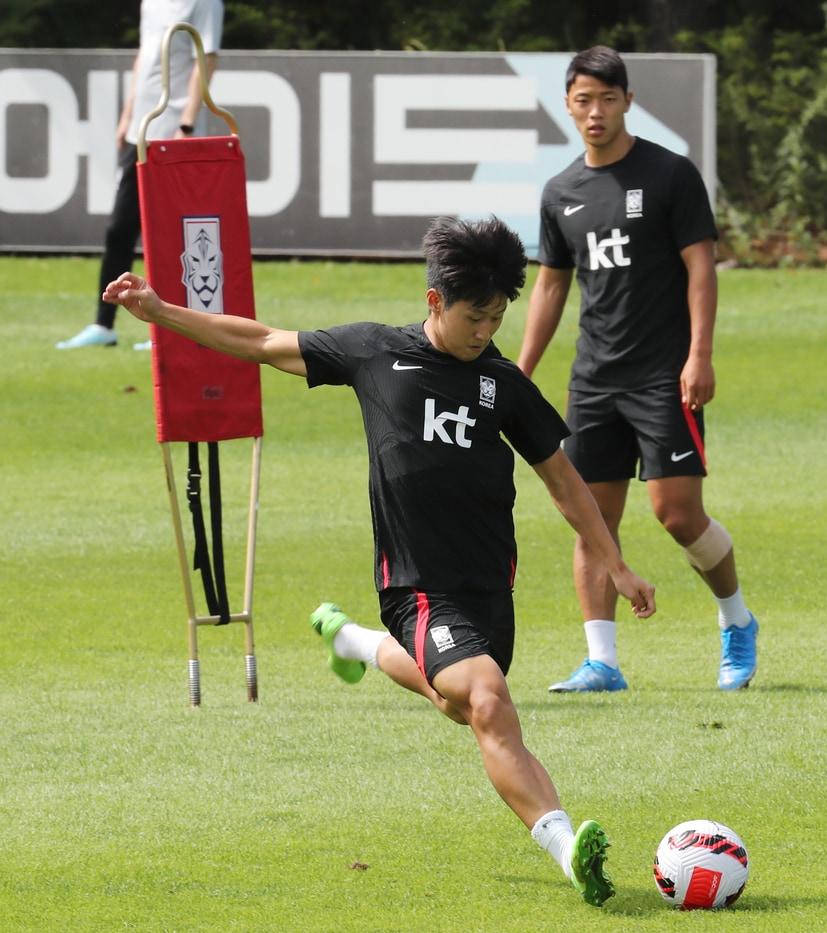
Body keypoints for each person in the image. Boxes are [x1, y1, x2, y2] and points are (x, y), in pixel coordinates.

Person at [102, 216, 654, 908]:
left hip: (488, 594)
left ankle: (354, 640)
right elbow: (262, 341)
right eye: (474, 316)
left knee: (460, 703)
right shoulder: (374, 354)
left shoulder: (501, 384)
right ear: (434, 302)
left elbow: (565, 482)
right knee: (487, 700)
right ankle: (571, 851)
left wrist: (617, 564)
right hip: (417, 588)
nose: (486, 329)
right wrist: (159, 311)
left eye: (497, 315)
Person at [519, 46, 758, 694]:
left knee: (677, 513)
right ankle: (603, 660)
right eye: (582, 101)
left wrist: (699, 353)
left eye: (606, 99)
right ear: (568, 106)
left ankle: (736, 619)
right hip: (594, 376)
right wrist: (521, 369)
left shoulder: (670, 175)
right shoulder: (561, 192)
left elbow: (701, 268)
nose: (594, 113)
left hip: (664, 375)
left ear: (627, 101)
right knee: (591, 515)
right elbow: (549, 288)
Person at [59, 0, 225, 351]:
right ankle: (103, 325)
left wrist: (187, 125)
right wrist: (128, 113)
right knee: (120, 229)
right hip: (141, 133)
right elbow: (145, 55)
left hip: (176, 133)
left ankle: (175, 328)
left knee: (172, 236)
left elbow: (206, 59)